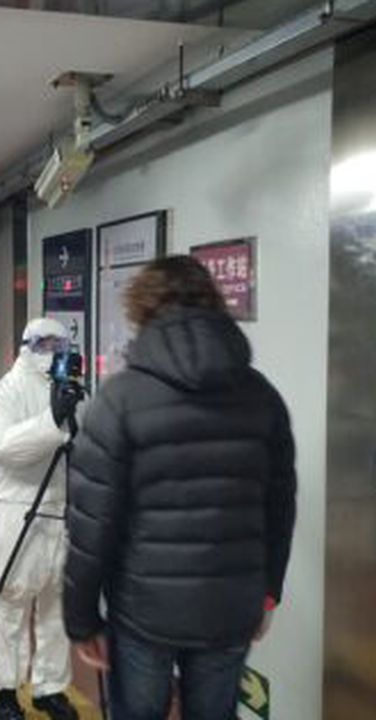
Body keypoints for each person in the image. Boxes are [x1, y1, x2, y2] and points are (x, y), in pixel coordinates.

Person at [64, 256, 297, 720]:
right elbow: (279, 507)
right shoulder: (262, 396)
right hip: (232, 606)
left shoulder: (119, 399)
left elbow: (92, 527)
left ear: (142, 309)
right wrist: (268, 590)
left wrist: (82, 619)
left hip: (143, 612)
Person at [0, 317, 81, 720]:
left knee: (57, 609)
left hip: (61, 511)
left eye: (62, 344)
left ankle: (50, 688)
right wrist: (51, 422)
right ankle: (5, 689)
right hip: (18, 509)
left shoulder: (67, 389)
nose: (56, 351)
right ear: (29, 344)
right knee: (11, 605)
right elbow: (2, 446)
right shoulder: (9, 390)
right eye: (48, 343)